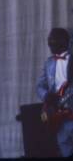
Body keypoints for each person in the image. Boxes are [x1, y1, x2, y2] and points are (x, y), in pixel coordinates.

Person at [37, 28, 73, 157]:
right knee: (65, 150)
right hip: (58, 118)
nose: (50, 43)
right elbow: (40, 86)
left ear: (64, 41)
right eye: (49, 40)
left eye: (53, 40)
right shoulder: (49, 63)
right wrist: (46, 96)